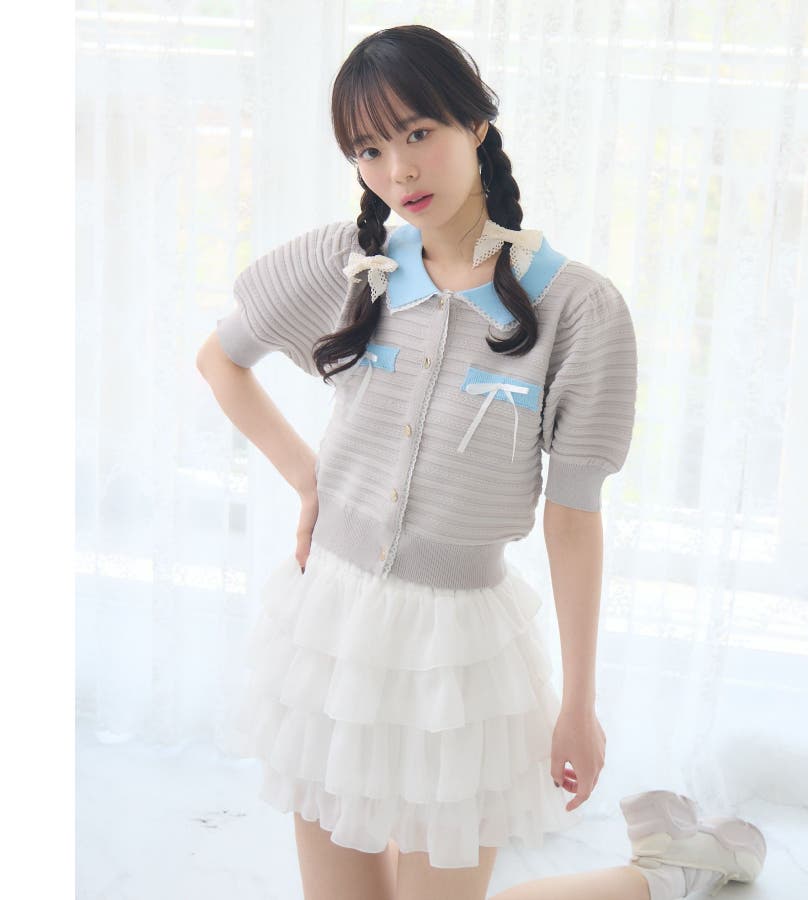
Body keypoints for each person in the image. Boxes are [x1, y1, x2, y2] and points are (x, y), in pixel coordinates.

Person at [196, 23, 766, 900]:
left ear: (477, 126)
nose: (398, 171)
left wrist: (578, 705)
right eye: (369, 149)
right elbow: (221, 360)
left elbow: (573, 518)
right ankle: (675, 864)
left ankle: (670, 870)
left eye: (418, 132)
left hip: (457, 654)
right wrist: (310, 478)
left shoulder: (579, 309)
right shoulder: (350, 265)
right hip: (331, 631)